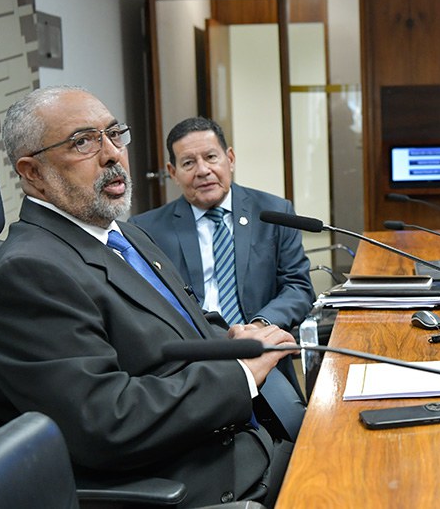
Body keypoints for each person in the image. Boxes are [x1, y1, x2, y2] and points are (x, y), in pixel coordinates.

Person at [0, 86, 298, 508]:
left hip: (244, 443)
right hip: (196, 485)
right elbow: (107, 420)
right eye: (83, 142)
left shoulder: (123, 234)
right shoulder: (29, 273)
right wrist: (240, 373)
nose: (113, 155)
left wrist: (232, 338)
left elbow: (181, 321)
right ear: (32, 172)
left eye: (114, 134)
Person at [129, 117, 315, 440]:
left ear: (230, 158)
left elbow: (298, 286)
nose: (202, 170)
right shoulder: (145, 230)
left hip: (263, 351)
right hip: (195, 363)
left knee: (297, 440)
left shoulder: (273, 212)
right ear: (173, 172)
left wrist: (260, 327)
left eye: (211, 157)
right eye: (188, 162)